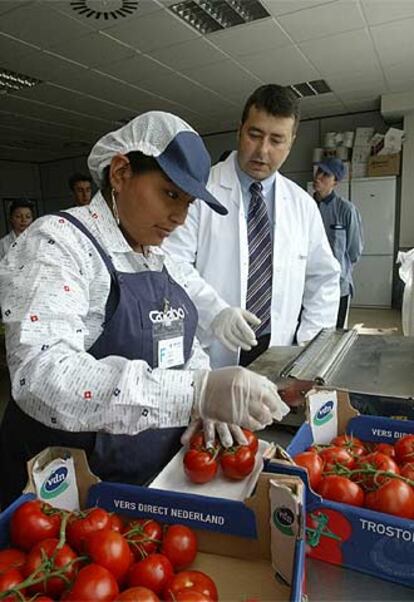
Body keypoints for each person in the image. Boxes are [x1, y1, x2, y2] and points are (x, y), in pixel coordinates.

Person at [0, 111, 288, 507]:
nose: (180, 217)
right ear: (120, 173)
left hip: (152, 477)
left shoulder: (156, 255)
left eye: (187, 202)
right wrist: (194, 393)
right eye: (170, 194)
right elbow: (42, 375)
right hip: (66, 494)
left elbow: (180, 345)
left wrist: (207, 386)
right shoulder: (57, 243)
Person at [163, 85, 340, 369]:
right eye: (254, 135)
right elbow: (171, 262)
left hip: (279, 347)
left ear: (291, 142)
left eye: (276, 140)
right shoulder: (199, 190)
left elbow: (323, 278)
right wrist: (216, 311)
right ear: (239, 130)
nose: (262, 150)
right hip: (212, 345)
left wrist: (309, 345)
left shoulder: (302, 205)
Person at [313, 157, 364, 328]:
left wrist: (340, 270)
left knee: (336, 333)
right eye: (318, 171)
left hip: (338, 286)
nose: (318, 176)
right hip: (309, 285)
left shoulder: (346, 210)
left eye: (326, 174)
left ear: (336, 182)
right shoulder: (305, 207)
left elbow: (354, 251)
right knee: (308, 334)